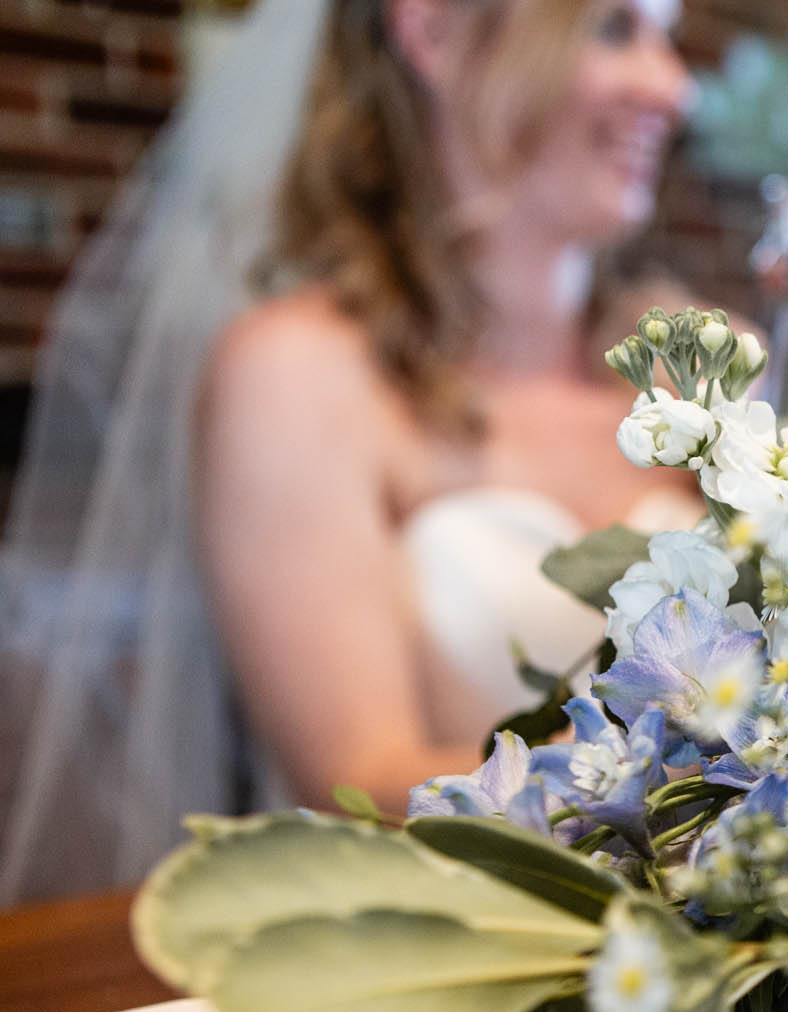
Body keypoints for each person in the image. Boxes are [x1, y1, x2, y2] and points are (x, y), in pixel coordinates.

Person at [0, 0, 696, 902]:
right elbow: (352, 781)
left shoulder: (697, 369)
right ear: (436, 32)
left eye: (670, 39)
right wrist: (714, 785)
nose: (674, 88)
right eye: (614, 29)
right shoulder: (297, 374)